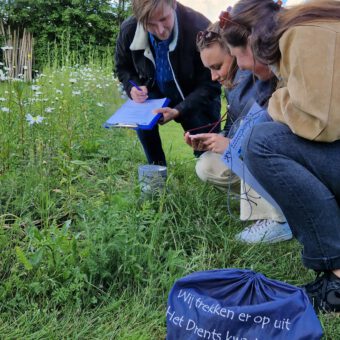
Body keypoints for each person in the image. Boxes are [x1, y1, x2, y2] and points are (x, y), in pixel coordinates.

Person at [222, 0, 340, 312]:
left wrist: (277, 100)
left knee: (261, 142)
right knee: (266, 137)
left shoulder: (301, 35)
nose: (242, 67)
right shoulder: (303, 29)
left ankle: (338, 274)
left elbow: (321, 123)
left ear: (251, 40)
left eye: (237, 57)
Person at [184, 22, 292, 244]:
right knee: (207, 164)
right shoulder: (232, 84)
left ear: (235, 52)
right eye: (209, 70)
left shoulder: (265, 75)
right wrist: (216, 142)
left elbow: (274, 131)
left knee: (251, 147)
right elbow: (233, 126)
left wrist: (234, 145)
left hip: (279, 156)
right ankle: (270, 202)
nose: (214, 76)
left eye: (217, 66)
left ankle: (280, 220)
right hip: (254, 149)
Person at [115, 0, 221, 166]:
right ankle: (157, 172)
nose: (160, 30)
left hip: (195, 95)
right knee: (144, 122)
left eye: (164, 19)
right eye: (150, 24)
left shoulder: (200, 27)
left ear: (173, 5)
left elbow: (211, 85)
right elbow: (122, 68)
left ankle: (210, 178)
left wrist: (178, 110)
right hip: (154, 90)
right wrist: (132, 87)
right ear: (140, 19)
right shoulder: (129, 29)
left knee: (209, 156)